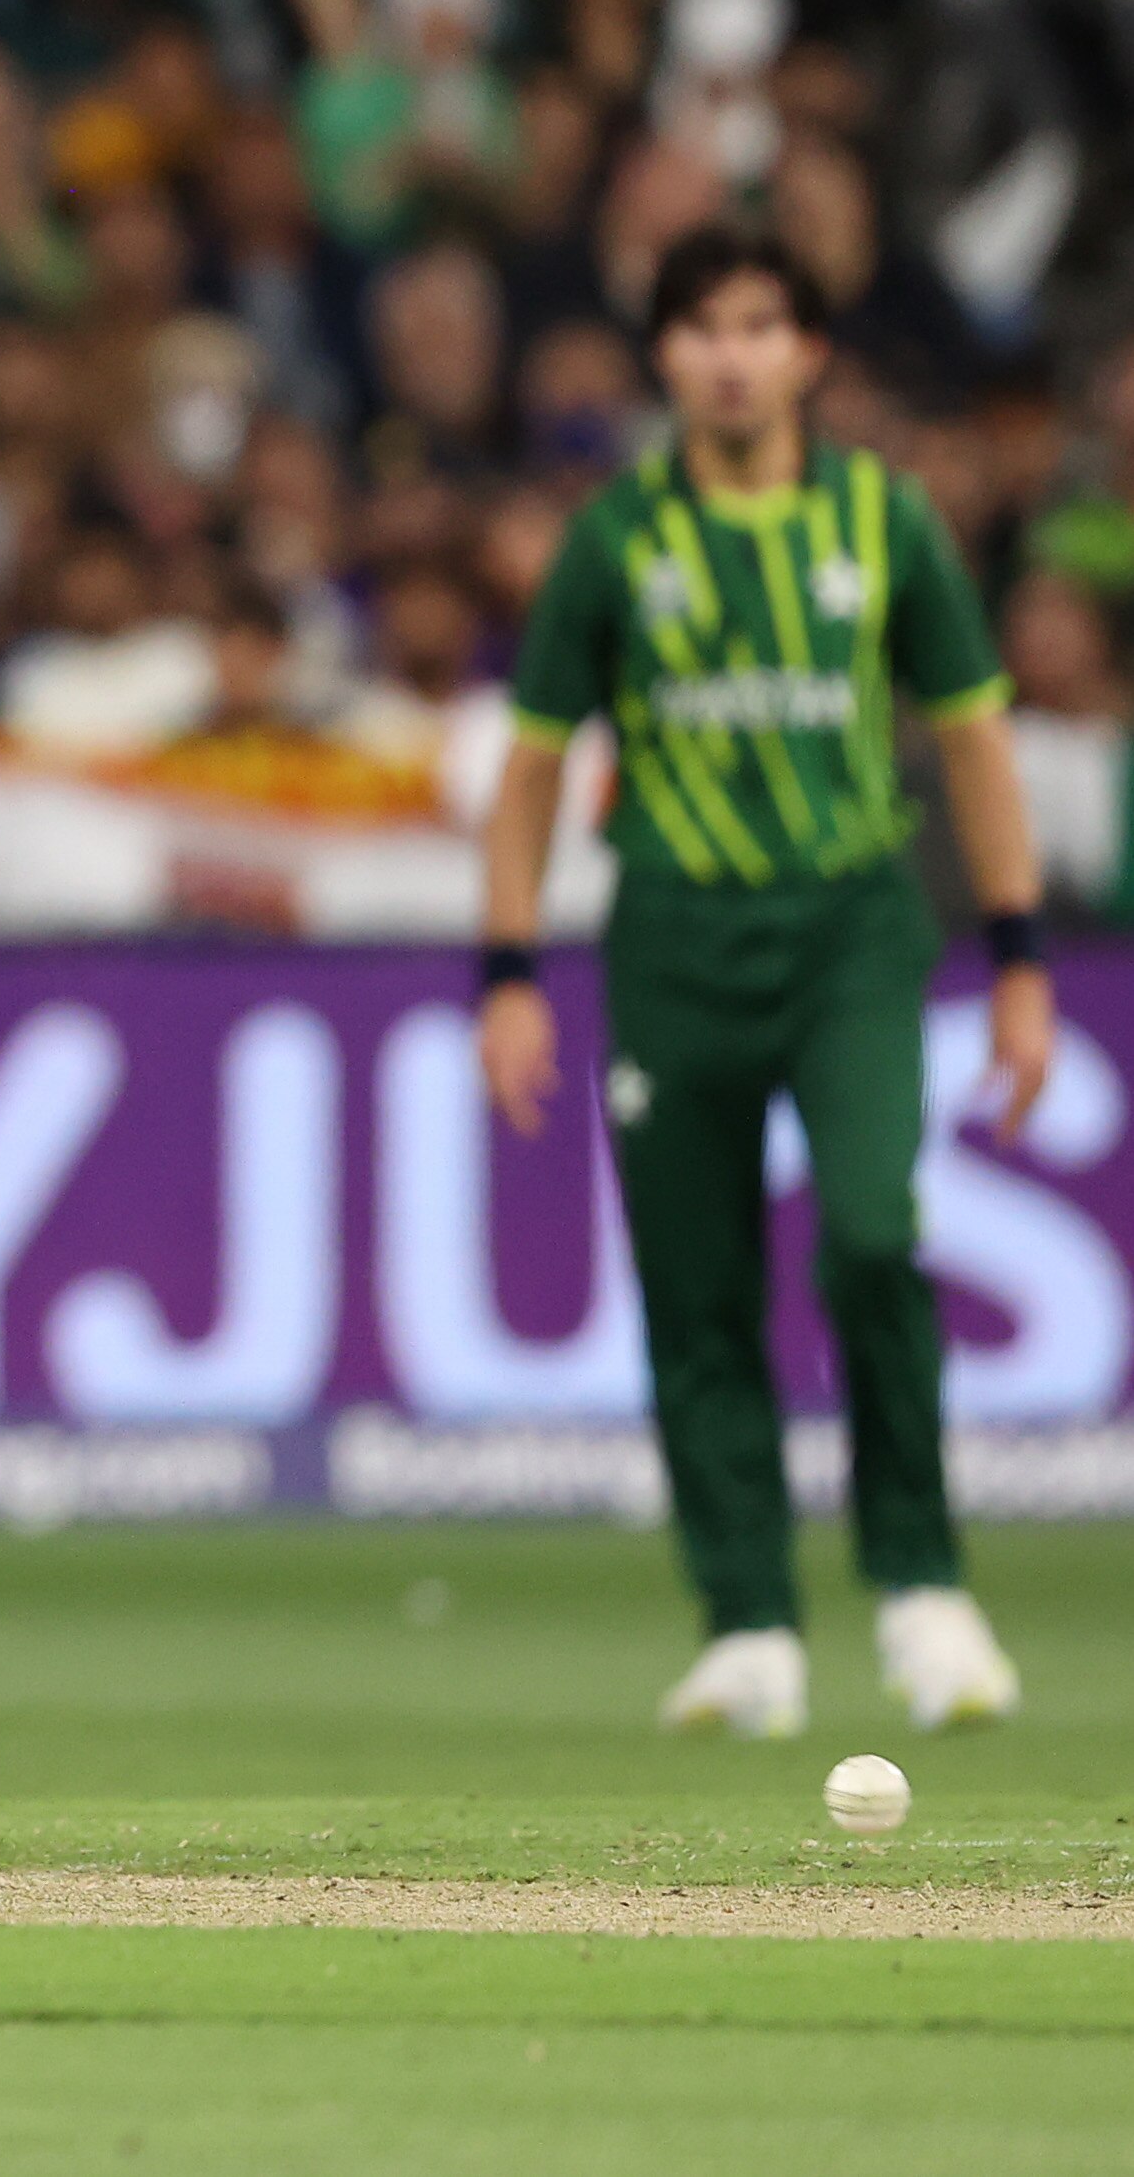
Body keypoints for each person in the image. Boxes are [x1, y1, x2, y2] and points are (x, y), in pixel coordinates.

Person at [476, 228, 1048, 1740]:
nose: (729, 356)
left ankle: (922, 1590)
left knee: (870, 1237)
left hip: (848, 930)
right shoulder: (613, 539)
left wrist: (1017, 959)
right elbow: (530, 767)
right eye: (700, 327)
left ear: (807, 353)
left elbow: (974, 737)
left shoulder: (883, 520)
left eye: (756, 325)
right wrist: (507, 969)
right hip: (671, 941)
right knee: (695, 1290)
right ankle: (747, 1625)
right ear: (662, 354)